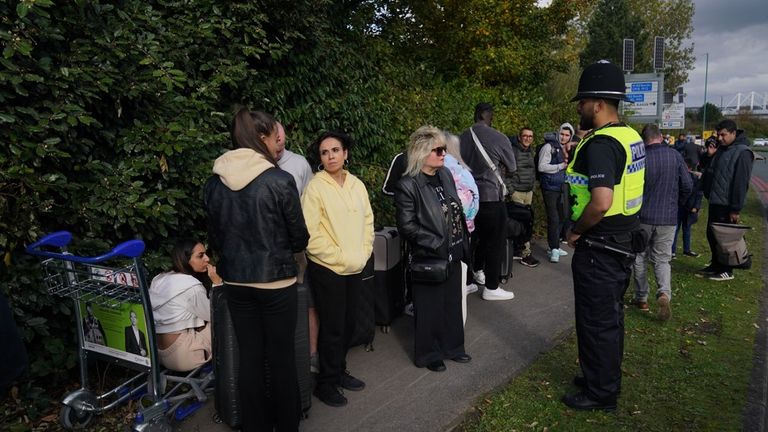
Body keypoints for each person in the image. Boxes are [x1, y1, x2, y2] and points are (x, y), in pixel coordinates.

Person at [205, 108, 309, 431]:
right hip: (276, 282)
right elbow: (299, 238)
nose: (277, 141)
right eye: (272, 135)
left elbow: (216, 237)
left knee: (249, 356)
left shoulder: (213, 183)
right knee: (281, 357)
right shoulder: (279, 179)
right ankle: (287, 425)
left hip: (235, 280)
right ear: (261, 137)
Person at [562, 61, 646, 412]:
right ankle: (598, 376)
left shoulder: (601, 144)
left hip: (599, 246)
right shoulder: (630, 135)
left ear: (597, 103)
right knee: (607, 318)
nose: (579, 108)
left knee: (598, 322)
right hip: (622, 242)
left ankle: (601, 393)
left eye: (581, 102)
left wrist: (576, 230)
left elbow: (601, 201)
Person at [302, 131, 374, 408]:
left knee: (349, 324)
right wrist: (339, 257)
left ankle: (339, 371)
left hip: (355, 266)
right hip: (328, 269)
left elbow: (368, 221)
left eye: (335, 150)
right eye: (324, 152)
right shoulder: (315, 187)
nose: (331, 156)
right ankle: (326, 383)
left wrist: (364, 250)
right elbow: (310, 233)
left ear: (346, 153)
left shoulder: (356, 184)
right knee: (332, 327)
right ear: (320, 158)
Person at [395, 126, 472, 372]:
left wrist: (462, 241)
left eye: (444, 149)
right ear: (421, 153)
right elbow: (407, 225)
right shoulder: (408, 185)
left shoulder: (446, 175)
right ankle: (429, 354)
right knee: (430, 308)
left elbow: (456, 209)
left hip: (454, 250)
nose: (443, 154)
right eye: (437, 150)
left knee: (452, 302)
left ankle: (453, 347)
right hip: (430, 255)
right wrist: (437, 243)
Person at [631, 124, 692, 321]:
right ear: (660, 137)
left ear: (644, 140)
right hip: (668, 218)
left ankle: (641, 298)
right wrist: (677, 204)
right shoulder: (674, 156)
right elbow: (687, 185)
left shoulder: (641, 159)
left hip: (643, 217)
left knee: (639, 257)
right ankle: (664, 293)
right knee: (662, 259)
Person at [459, 103, 516, 301]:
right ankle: (491, 287)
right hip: (491, 196)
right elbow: (512, 166)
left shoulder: (461, 137)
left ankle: (469, 281)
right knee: (495, 242)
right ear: (486, 115)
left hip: (467, 199)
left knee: (470, 241)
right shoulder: (498, 137)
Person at [275, 121, 320, 373]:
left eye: (282, 140)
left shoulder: (299, 163)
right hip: (272, 251)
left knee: (308, 298)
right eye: (275, 140)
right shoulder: (258, 165)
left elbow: (310, 200)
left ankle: (312, 353)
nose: (279, 146)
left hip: (298, 246)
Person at [149, 239, 222, 371]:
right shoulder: (191, 287)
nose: (207, 259)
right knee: (229, 317)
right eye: (200, 256)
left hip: (157, 352)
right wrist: (217, 284)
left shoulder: (159, 278)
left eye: (206, 254)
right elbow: (216, 315)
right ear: (185, 259)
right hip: (184, 356)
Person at [699, 119, 754, 281]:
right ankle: (716, 264)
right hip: (715, 199)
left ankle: (727, 269)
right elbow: (706, 166)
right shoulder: (722, 149)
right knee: (712, 235)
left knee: (725, 239)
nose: (720, 138)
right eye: (718, 135)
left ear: (733, 133)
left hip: (727, 203)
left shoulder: (743, 152)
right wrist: (709, 155)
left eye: (723, 135)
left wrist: (735, 208)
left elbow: (741, 182)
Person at [443, 131, 480, 316]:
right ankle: (464, 285)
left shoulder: (439, 168)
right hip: (464, 224)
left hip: (444, 225)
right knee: (461, 260)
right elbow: (474, 197)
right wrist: (470, 218)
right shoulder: (462, 169)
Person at [505, 127, 540, 268]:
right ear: (519, 137)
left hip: (528, 192)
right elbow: (505, 171)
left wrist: (533, 187)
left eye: (530, 136)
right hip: (517, 192)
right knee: (523, 222)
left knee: (525, 223)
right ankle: (526, 254)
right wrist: (512, 191)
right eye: (525, 136)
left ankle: (518, 250)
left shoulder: (530, 151)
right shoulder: (513, 151)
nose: (528, 138)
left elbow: (532, 170)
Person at [538, 123, 573, 263]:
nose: (564, 137)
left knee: (563, 216)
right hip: (550, 187)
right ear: (558, 133)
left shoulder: (569, 148)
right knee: (553, 218)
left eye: (567, 135)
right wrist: (561, 166)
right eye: (562, 134)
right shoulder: (549, 147)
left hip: (563, 187)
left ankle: (555, 246)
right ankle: (553, 248)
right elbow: (541, 167)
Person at [672, 160, 704, 259]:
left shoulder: (695, 178)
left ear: (690, 168)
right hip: (679, 206)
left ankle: (687, 249)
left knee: (687, 228)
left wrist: (696, 206)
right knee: (675, 229)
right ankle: (672, 251)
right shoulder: (677, 178)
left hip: (689, 207)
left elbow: (699, 193)